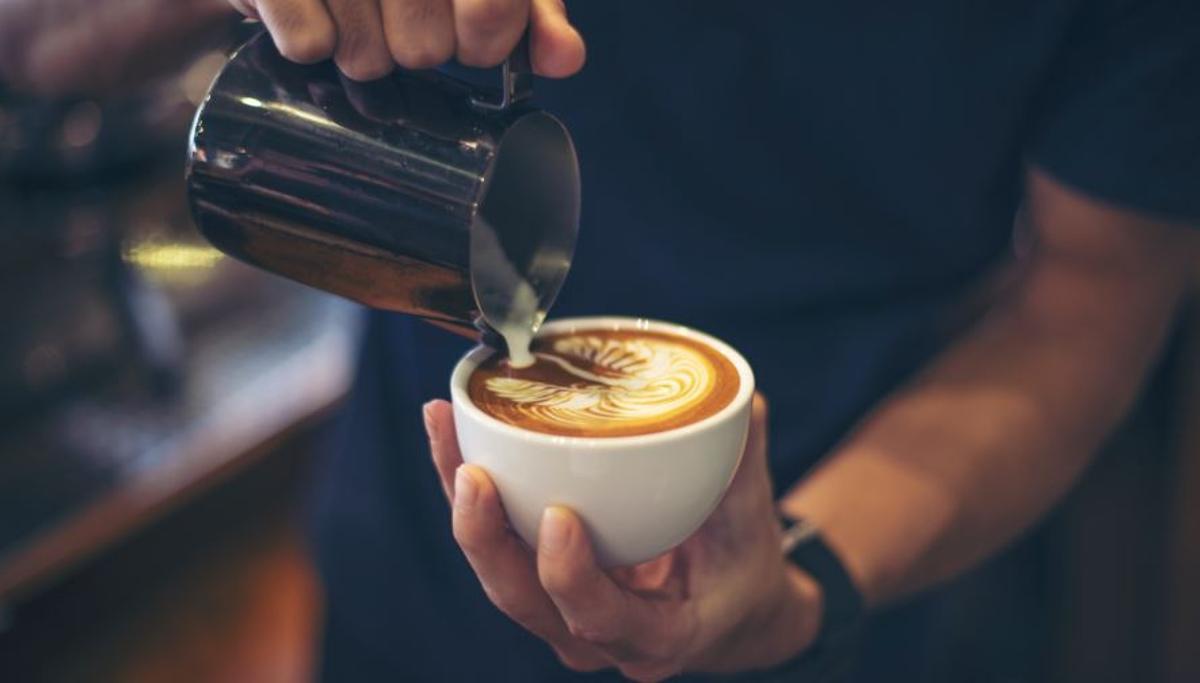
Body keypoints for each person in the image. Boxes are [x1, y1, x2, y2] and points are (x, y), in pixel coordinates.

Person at [6, 1, 1197, 680]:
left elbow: (1091, 290)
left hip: (846, 567)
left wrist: (802, 579)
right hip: (410, 583)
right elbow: (36, 39)